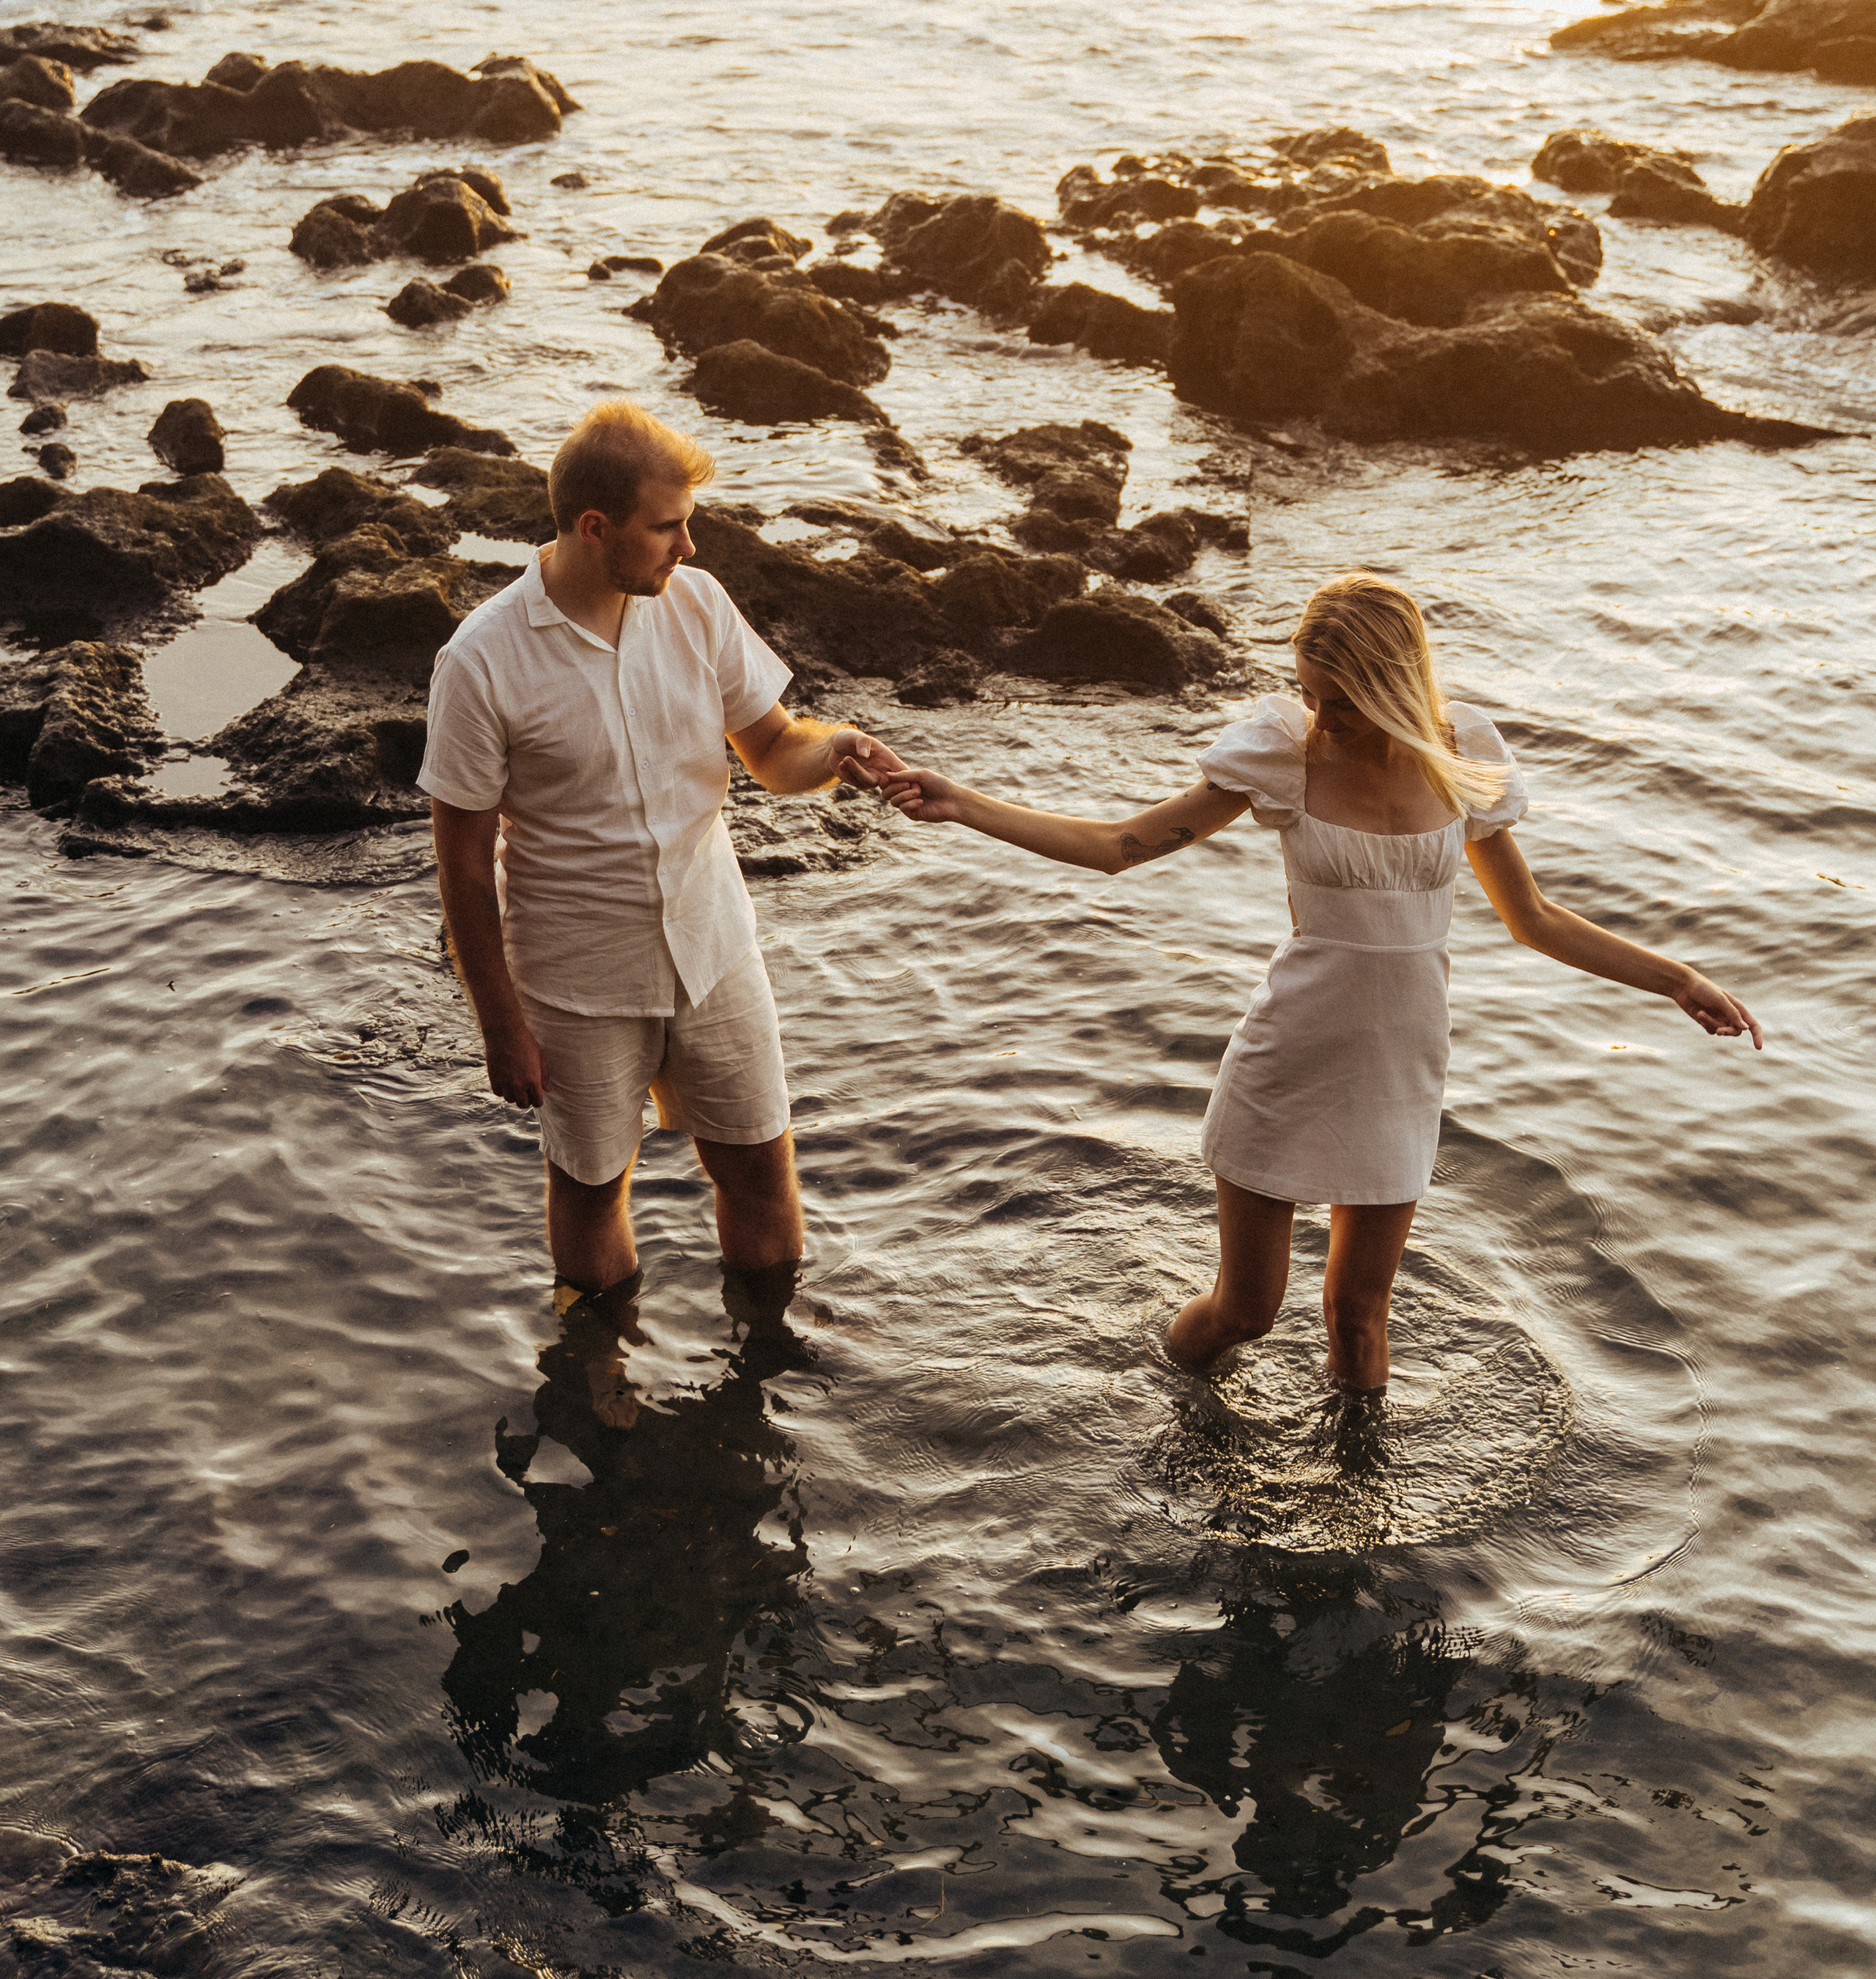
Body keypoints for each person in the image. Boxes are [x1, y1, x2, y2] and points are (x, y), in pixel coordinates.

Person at [878, 572, 1761, 1393]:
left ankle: (1359, 1520)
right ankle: (1164, 1397)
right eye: (1309, 694)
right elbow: (1121, 848)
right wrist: (963, 803)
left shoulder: (1462, 758)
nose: (1322, 717)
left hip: (1399, 1073)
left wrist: (1675, 978)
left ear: (1395, 689)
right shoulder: (1280, 756)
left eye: (1343, 701)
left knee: (1360, 1320)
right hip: (1288, 1058)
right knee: (1246, 1314)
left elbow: (1533, 919)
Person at [420, 398, 904, 1308]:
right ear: (596, 528)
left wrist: (834, 749)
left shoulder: (699, 606)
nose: (689, 548)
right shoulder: (480, 663)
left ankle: (763, 1378)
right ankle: (602, 1390)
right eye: (669, 527)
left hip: (715, 950)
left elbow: (770, 747)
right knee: (591, 1192)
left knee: (761, 1170)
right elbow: (461, 865)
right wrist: (499, 1024)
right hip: (578, 980)